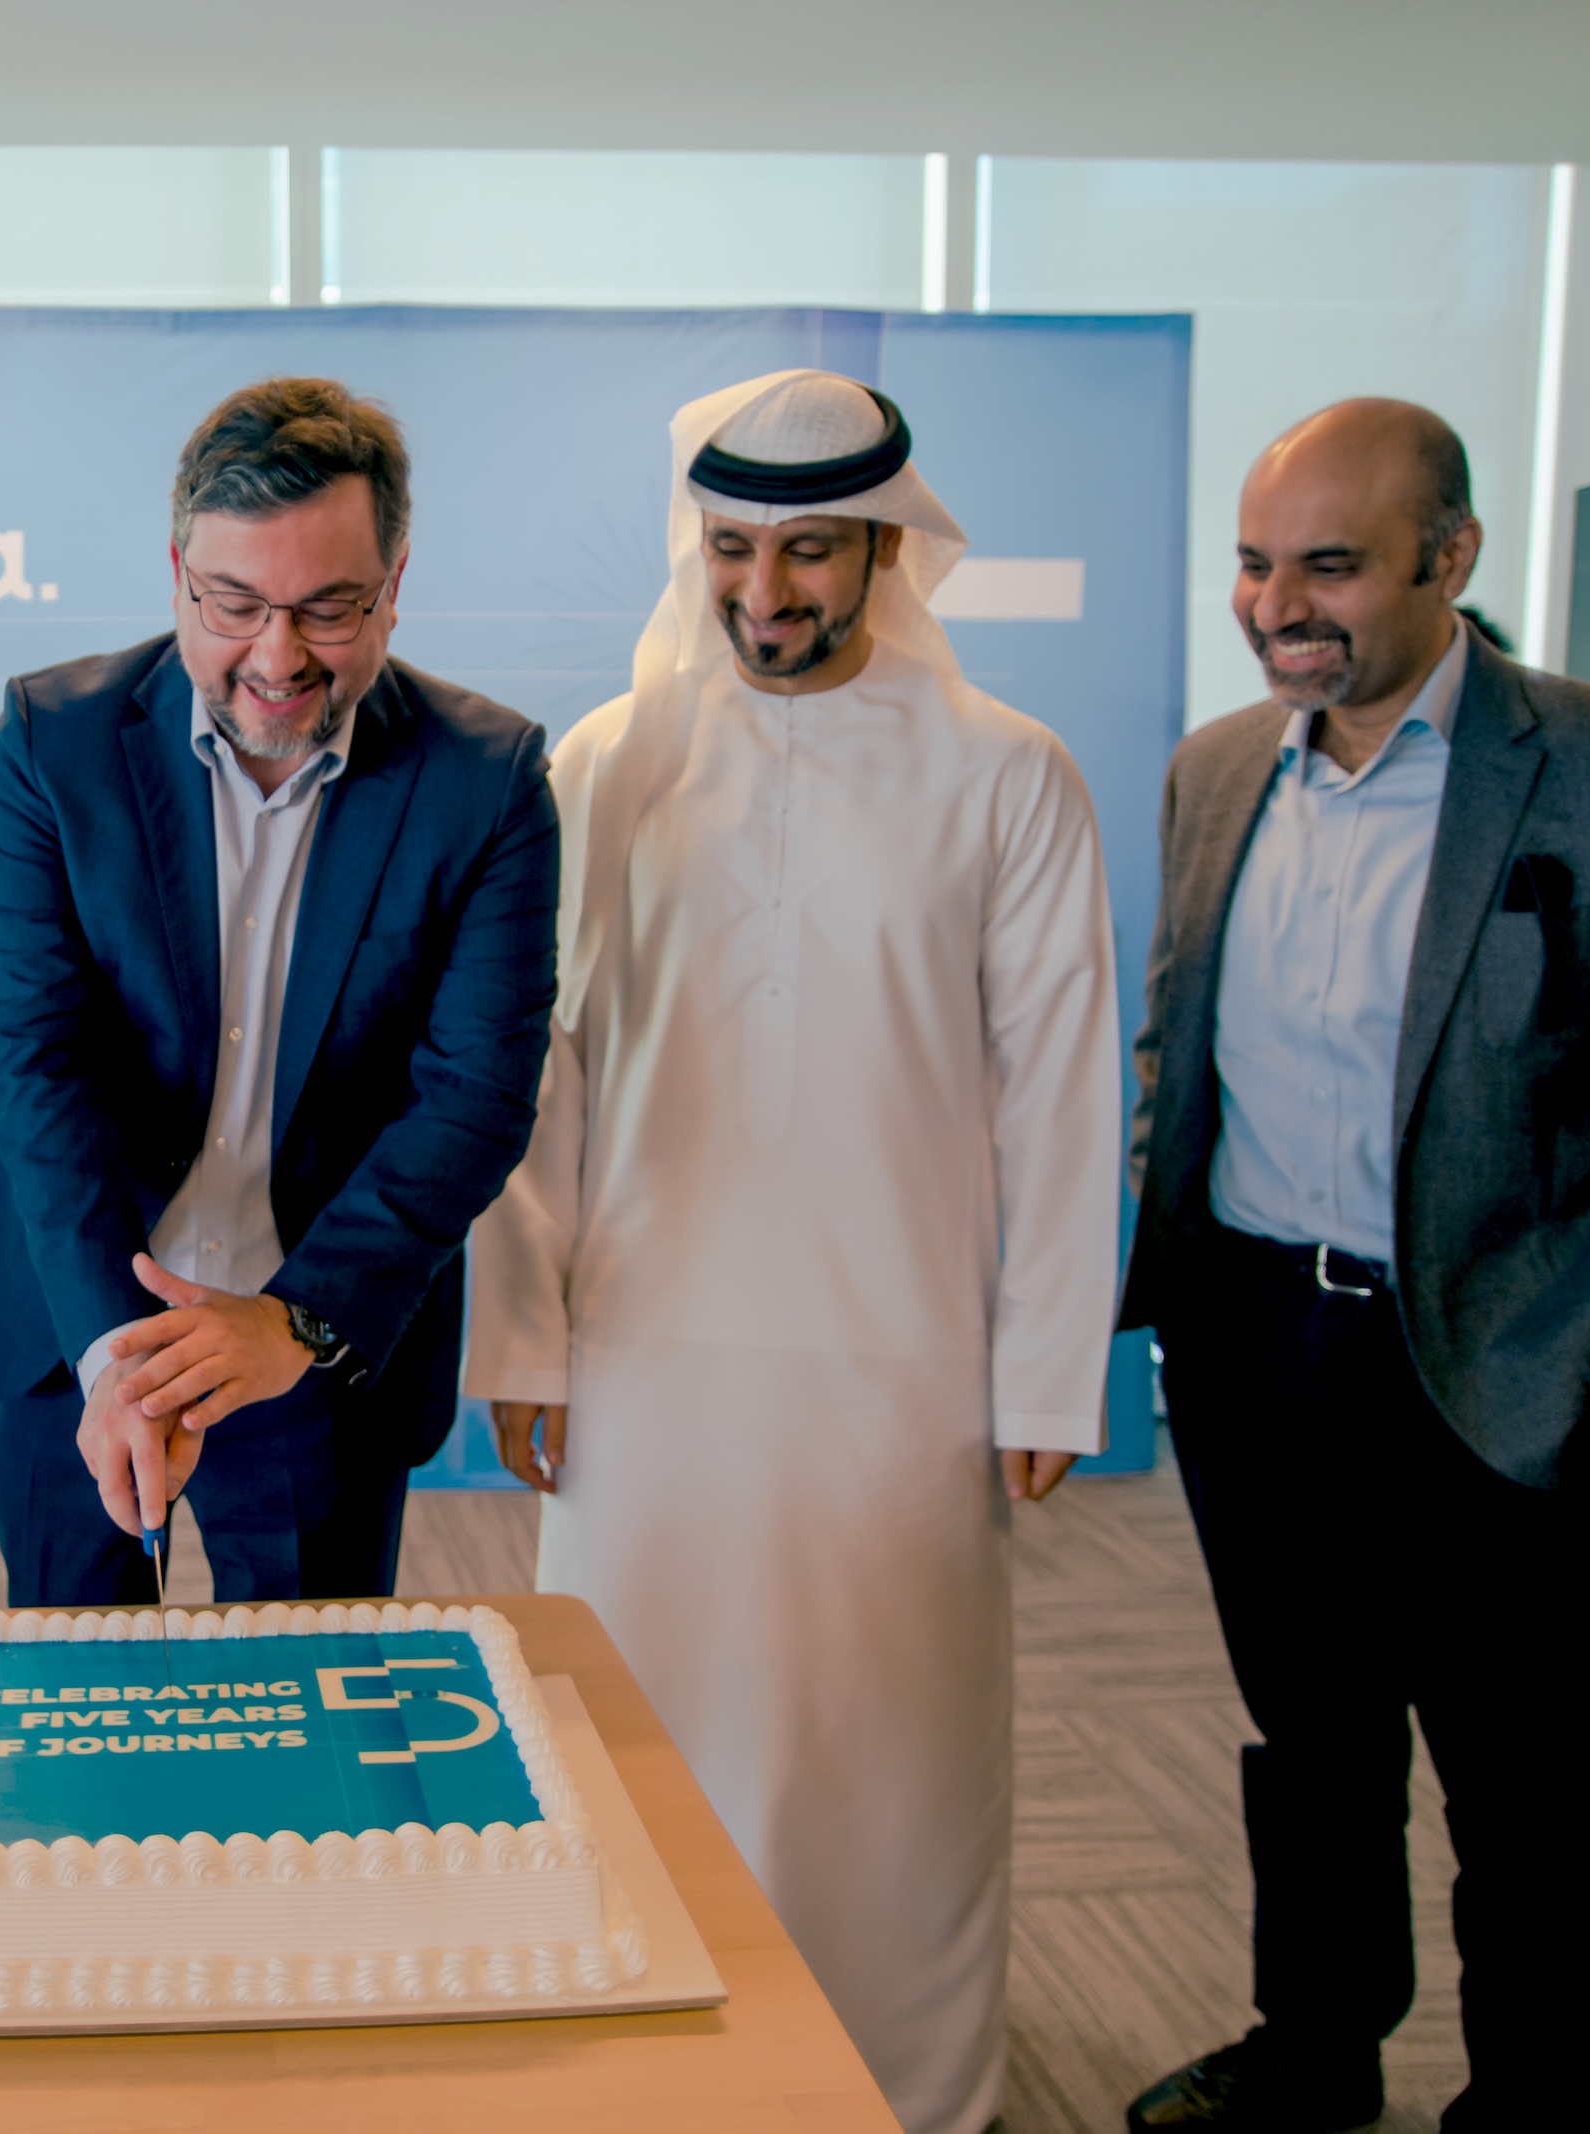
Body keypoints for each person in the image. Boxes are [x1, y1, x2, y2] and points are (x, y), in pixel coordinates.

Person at [1119, 401, 1590, 2133]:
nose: (1280, 606)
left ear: (1453, 557)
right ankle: (1317, 2047)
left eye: (1331, 565)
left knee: (1527, 1799)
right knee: (1313, 1745)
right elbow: (1176, 1052)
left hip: (1508, 1372)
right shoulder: (1217, 769)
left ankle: (1532, 2106)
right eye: (1255, 563)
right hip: (1254, 1350)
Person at [465, 370, 1122, 2134]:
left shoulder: (1009, 773)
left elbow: (1061, 1092)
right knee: (640, 1741)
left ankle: (909, 2086)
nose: (767, 592)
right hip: (646, 1362)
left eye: (813, 550)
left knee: (888, 1755)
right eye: (734, 549)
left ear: (889, 548)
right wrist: (522, 1332)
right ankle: (648, 2077)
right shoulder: (605, 765)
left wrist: (1045, 1367)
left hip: (901, 1366)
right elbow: (539, 1078)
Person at [0, 376, 559, 1607]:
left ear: (393, 585)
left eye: (328, 608)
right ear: (176, 575)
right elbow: (41, 1063)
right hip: (78, 1328)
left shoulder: (485, 781)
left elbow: (474, 1095)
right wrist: (113, 1356)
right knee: (65, 1698)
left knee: (314, 1707)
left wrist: (298, 1321)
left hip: (318, 1346)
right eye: (233, 605)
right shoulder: (52, 745)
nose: (276, 659)